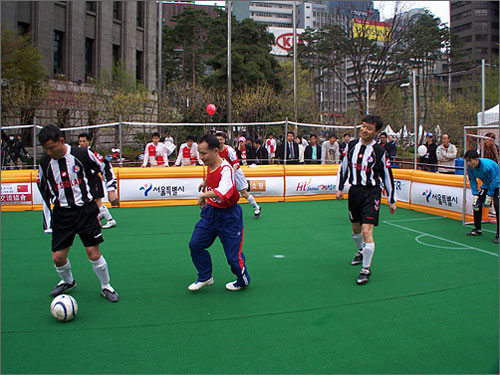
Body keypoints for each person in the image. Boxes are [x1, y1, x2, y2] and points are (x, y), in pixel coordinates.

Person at [36, 125, 120, 302]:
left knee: (93, 253)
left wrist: (111, 190)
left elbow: (105, 165)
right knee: (58, 257)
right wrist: (48, 219)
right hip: (62, 214)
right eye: (46, 149)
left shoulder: (81, 154)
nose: (49, 152)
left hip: (86, 211)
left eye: (52, 147)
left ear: (61, 141)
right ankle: (68, 282)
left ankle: (106, 286)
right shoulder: (45, 162)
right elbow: (43, 189)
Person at [336, 115, 397, 285]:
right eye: (363, 126)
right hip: (354, 191)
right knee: (355, 228)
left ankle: (366, 269)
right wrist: (339, 188)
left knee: (366, 231)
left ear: (376, 132)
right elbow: (343, 167)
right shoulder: (351, 145)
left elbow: (387, 176)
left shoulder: (380, 152)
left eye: (369, 128)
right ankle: (361, 251)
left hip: (372, 193)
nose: (364, 130)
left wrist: (392, 200)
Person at [187, 134, 251, 292]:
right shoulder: (210, 165)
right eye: (199, 153)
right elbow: (212, 177)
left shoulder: (227, 168)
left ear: (215, 151)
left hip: (229, 217)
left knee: (233, 258)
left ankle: (243, 280)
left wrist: (203, 195)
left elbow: (225, 189)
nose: (200, 157)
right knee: (195, 244)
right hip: (210, 214)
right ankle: (205, 276)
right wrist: (205, 183)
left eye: (203, 153)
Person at [214, 132, 262, 219]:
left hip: (235, 173)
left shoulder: (229, 150)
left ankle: (256, 207)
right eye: (217, 140)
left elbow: (236, 164)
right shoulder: (215, 151)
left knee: (243, 193)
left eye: (221, 139)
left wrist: (230, 174)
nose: (219, 141)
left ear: (224, 140)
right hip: (224, 174)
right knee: (221, 193)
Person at [78, 132, 117, 229]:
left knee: (98, 202)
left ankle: (110, 220)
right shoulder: (77, 153)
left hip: (94, 180)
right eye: (80, 141)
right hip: (85, 181)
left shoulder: (91, 153)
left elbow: (105, 164)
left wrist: (111, 187)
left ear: (88, 142)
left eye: (84, 141)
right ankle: (98, 216)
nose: (82, 143)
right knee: (91, 203)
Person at [464, 150, 499, 243]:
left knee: (497, 206)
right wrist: (475, 194)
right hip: (486, 185)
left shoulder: (487, 166)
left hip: (497, 184)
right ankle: (477, 229)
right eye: (467, 161)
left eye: (470, 161)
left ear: (476, 159)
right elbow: (472, 181)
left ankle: (499, 234)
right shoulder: (470, 168)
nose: (469, 163)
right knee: (477, 205)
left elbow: (495, 180)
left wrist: (490, 195)